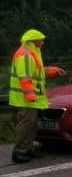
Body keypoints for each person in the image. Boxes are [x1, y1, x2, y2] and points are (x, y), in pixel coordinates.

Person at [8, 29, 66, 163]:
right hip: (26, 99)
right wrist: (30, 96)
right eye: (41, 40)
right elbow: (25, 77)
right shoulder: (25, 54)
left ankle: (27, 148)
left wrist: (54, 70)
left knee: (32, 124)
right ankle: (19, 152)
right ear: (34, 41)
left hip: (31, 98)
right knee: (26, 124)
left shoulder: (32, 52)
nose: (43, 42)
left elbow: (38, 72)